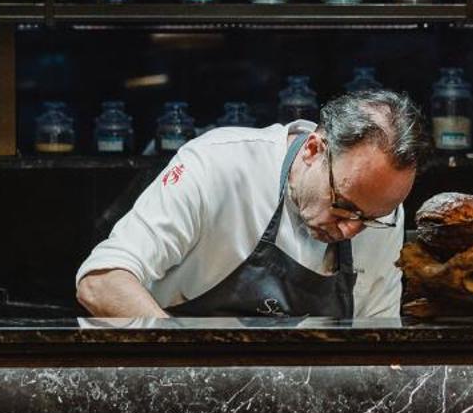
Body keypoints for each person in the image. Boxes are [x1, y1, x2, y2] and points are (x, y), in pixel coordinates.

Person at [75, 89, 427, 320]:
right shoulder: (218, 164)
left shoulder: (383, 210)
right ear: (313, 149)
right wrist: (188, 368)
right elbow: (102, 281)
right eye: (343, 205)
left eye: (371, 219)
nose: (352, 228)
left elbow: (376, 342)